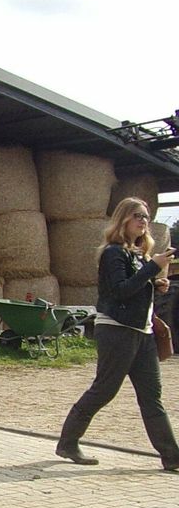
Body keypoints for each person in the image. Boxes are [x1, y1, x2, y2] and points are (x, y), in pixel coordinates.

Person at [56, 197, 179, 471]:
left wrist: (155, 282)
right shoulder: (114, 252)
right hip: (116, 330)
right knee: (105, 389)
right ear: (123, 219)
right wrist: (152, 269)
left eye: (146, 216)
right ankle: (68, 441)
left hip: (142, 332)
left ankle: (172, 457)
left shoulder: (140, 254)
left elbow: (135, 286)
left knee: (152, 396)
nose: (143, 221)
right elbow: (120, 290)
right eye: (137, 215)